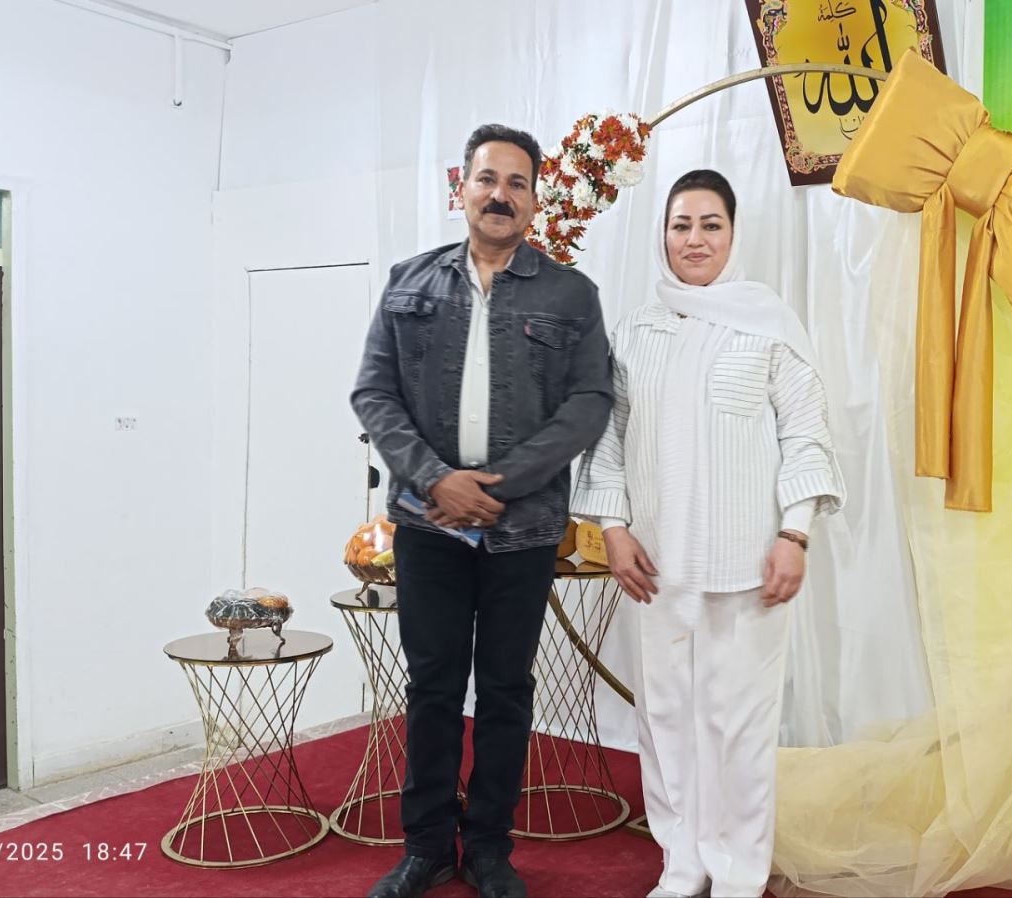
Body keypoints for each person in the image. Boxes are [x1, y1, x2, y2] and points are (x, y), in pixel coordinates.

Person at [354, 123, 614, 898]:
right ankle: (426, 847)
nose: (500, 195)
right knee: (432, 687)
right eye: (487, 179)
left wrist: (497, 485)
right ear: (460, 187)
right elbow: (374, 392)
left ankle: (491, 849)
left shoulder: (571, 295)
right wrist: (438, 480)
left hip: (521, 529)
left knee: (505, 688)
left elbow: (589, 403)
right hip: (427, 524)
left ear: (535, 199)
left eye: (517, 183)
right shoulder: (408, 282)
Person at [571, 169, 844, 898]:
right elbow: (608, 438)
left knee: (739, 722)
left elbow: (807, 434)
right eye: (681, 225)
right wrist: (614, 528)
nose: (695, 240)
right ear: (662, 235)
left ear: (733, 233)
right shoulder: (637, 330)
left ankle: (736, 873)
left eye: (710, 224)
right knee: (664, 716)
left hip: (749, 563)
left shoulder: (769, 324)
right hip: (657, 563)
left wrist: (795, 533)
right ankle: (682, 863)